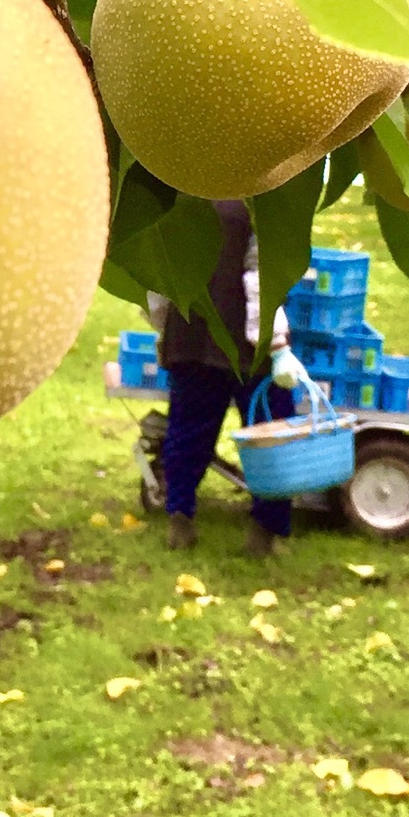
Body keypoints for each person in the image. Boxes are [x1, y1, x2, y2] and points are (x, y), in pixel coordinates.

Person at [152, 199, 303, 557]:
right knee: (270, 436)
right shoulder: (257, 207)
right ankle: (265, 532)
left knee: (187, 433)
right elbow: (259, 279)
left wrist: (166, 329)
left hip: (189, 337)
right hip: (249, 347)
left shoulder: (176, 205)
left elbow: (156, 283)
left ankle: (179, 518)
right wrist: (274, 340)